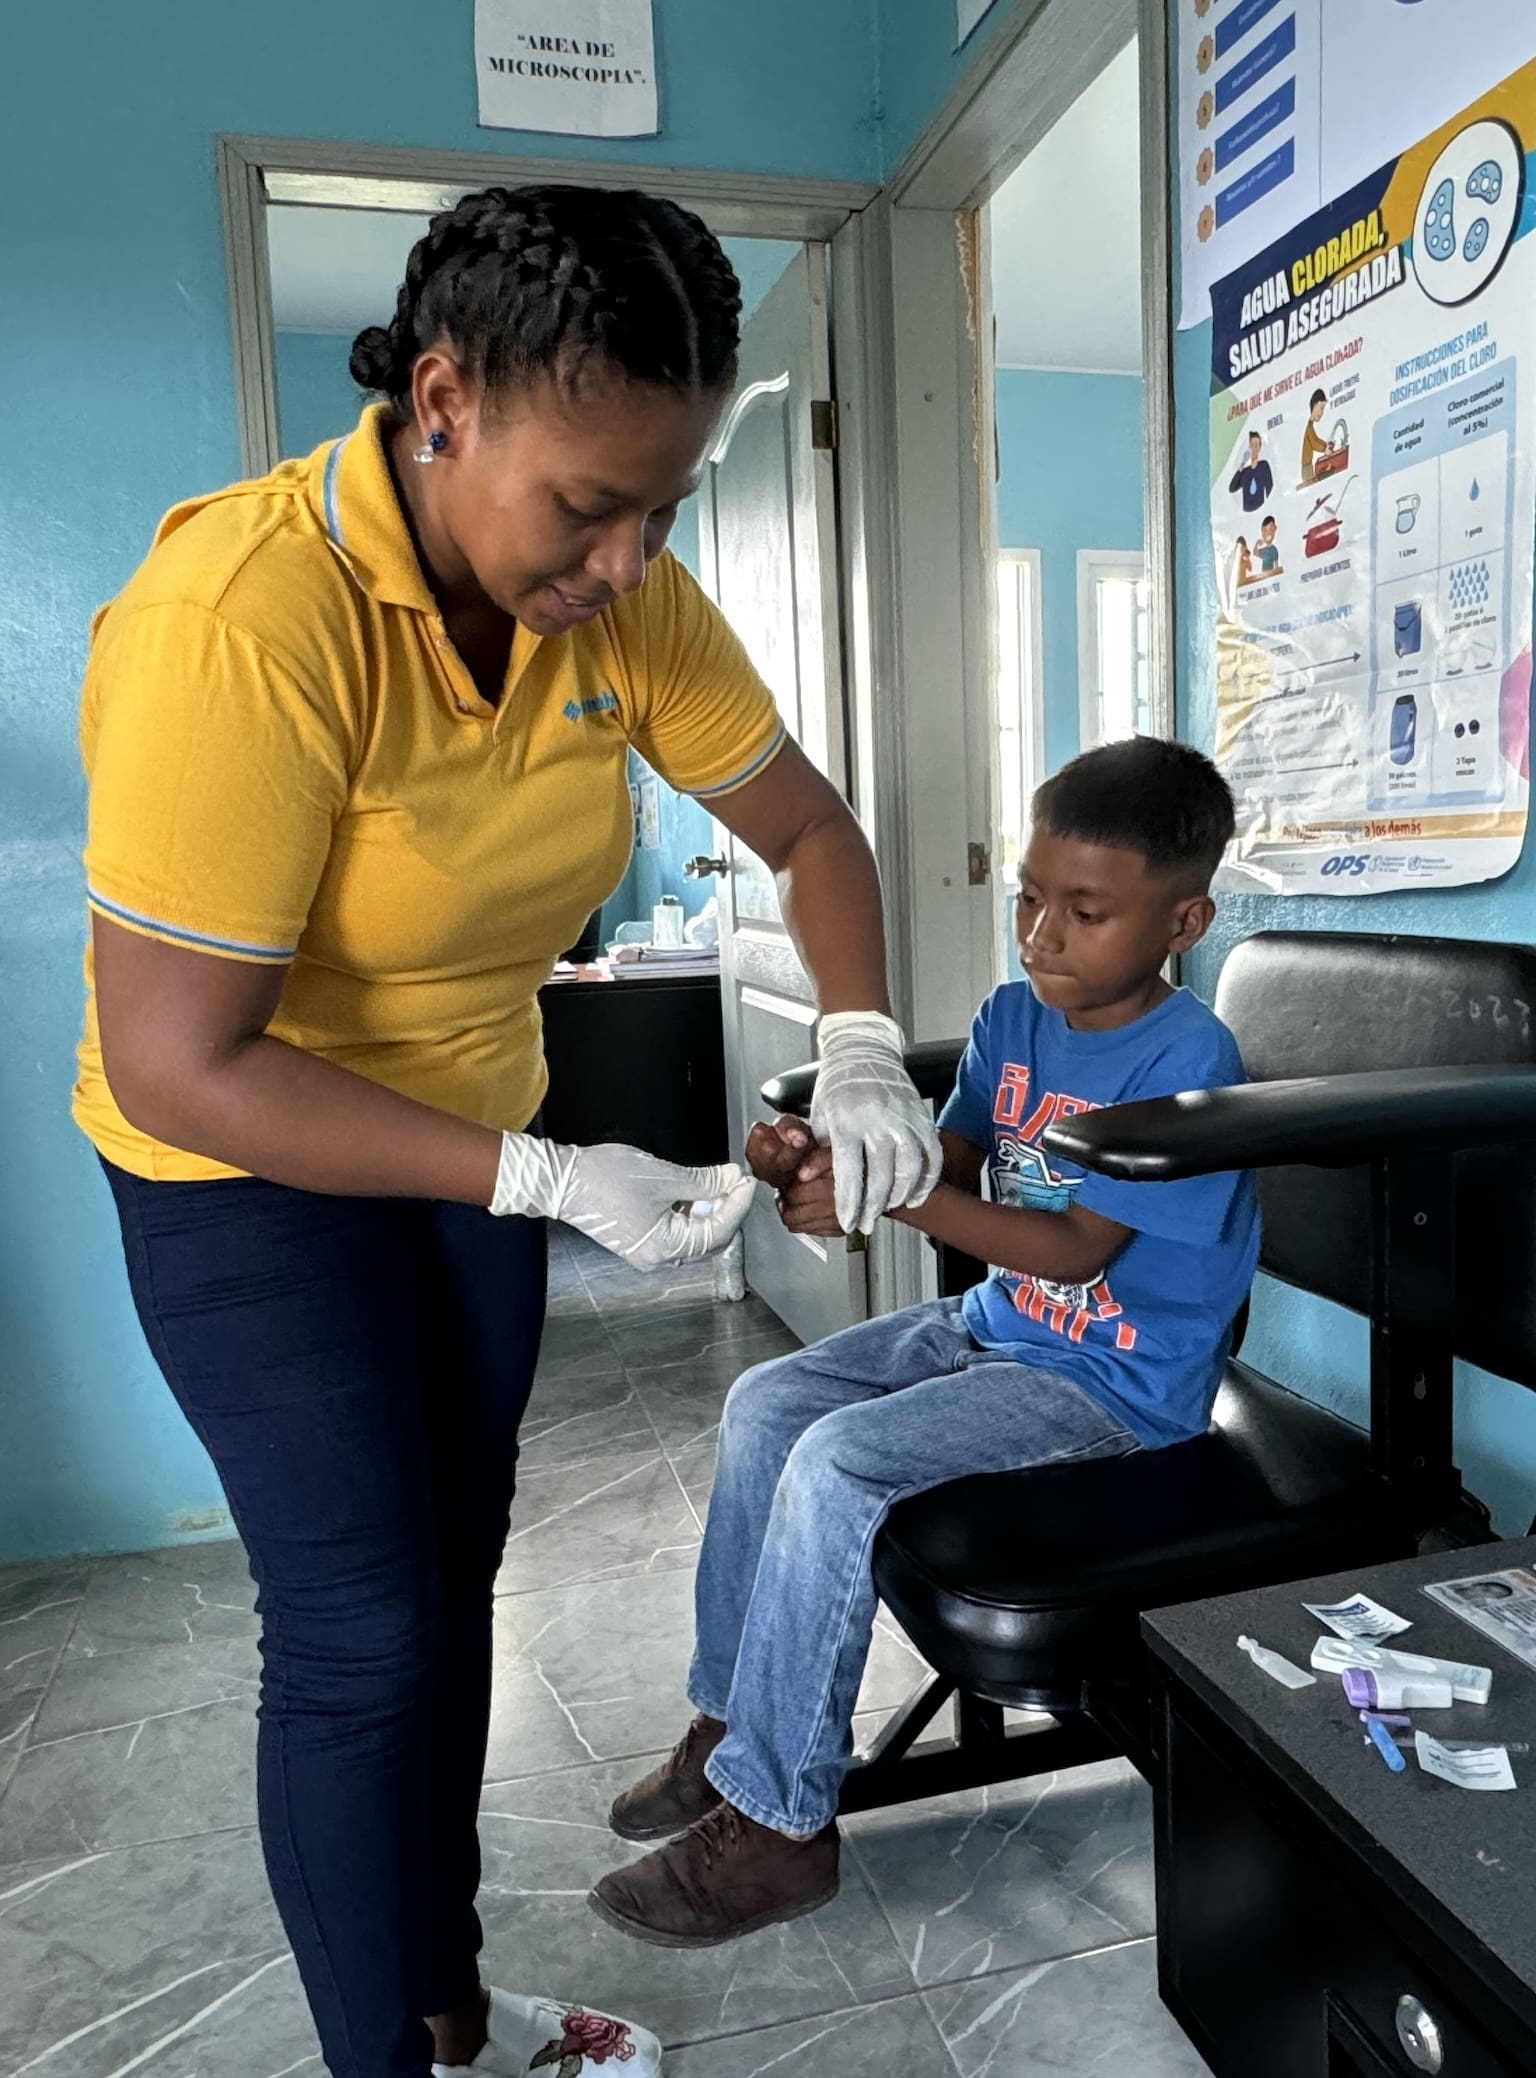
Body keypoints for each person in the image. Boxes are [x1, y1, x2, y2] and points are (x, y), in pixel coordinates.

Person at [72, 184, 941, 2078]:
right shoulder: (247, 619)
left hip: (463, 1133)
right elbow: (178, 1064)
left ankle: (451, 2011)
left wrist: (865, 1042)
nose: (626, 561)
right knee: (358, 1631)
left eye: (666, 510)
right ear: (443, 401)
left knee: (452, 1578)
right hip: (241, 1168)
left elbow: (809, 829)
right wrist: (547, 1177)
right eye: (587, 507)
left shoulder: (621, 604)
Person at [590, 738, 1261, 1947]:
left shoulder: (1188, 1055)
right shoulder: (1013, 1014)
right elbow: (953, 1152)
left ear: (1182, 920)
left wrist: (896, 1201)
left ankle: (780, 1824)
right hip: (997, 1324)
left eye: (1085, 911)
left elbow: (1075, 1249)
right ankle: (734, 1725)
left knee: (839, 1459)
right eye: (1029, 896)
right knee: (766, 1403)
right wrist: (842, 1156)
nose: (1041, 933)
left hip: (1113, 1381)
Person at [1229, 429, 1273, 512]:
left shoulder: (1263, 466)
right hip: (1246, 510)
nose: (1254, 447)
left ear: (1260, 446)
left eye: (1256, 444)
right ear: (1249, 446)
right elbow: (1232, 488)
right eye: (1252, 444)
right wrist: (1242, 464)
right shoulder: (1245, 471)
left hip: (1261, 509)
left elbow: (1270, 487)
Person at [1301, 388, 1331, 481]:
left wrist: (1326, 445)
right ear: (1314, 405)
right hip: (1307, 468)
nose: (1322, 413)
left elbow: (1316, 439)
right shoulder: (1309, 427)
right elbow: (1314, 442)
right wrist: (1325, 448)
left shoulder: (1310, 426)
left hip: (1308, 466)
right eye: (1321, 408)